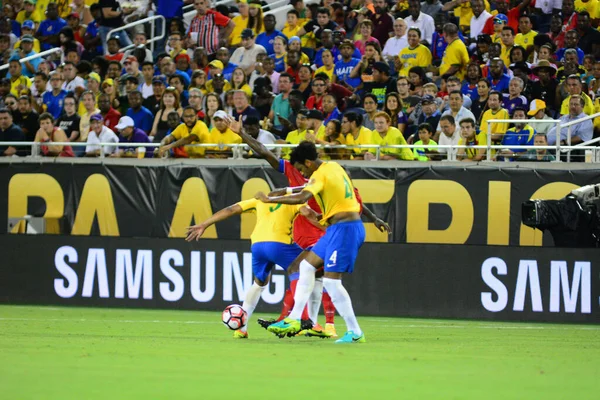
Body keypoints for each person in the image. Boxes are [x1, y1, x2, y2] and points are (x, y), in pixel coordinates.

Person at [257, 141, 366, 343]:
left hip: (345, 230)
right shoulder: (334, 166)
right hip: (336, 228)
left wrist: (270, 200)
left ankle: (355, 331)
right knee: (306, 266)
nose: (302, 173)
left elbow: (303, 197)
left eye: (301, 168)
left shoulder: (319, 175)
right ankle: (295, 318)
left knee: (332, 282)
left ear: (308, 162)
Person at [186, 182, 312, 339]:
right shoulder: (295, 201)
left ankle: (241, 329)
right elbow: (307, 213)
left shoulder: (259, 201)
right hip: (280, 245)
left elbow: (230, 210)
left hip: (258, 247)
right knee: (304, 269)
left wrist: (204, 224)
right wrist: (327, 227)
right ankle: (303, 318)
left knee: (259, 284)